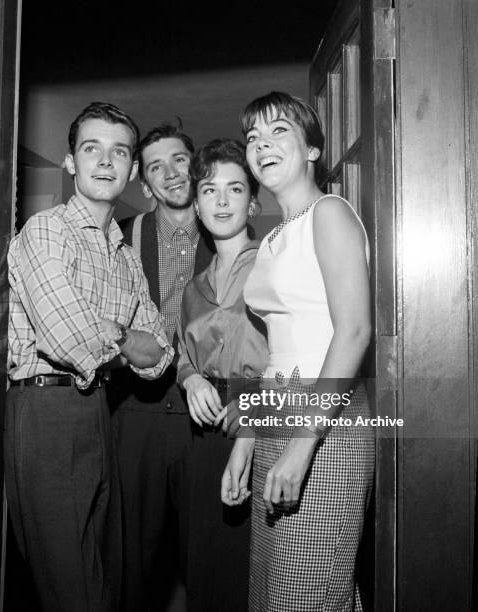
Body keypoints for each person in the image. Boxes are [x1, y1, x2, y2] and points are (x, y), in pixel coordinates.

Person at [5, 102, 174, 612]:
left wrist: (116, 334)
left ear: (132, 169)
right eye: (91, 149)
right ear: (70, 163)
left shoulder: (124, 254)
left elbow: (161, 355)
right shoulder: (46, 230)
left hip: (100, 412)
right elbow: (68, 339)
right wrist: (126, 341)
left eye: (119, 151)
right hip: (46, 412)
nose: (105, 161)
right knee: (71, 587)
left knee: (107, 579)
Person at [222, 91, 375, 611]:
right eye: (253, 138)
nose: (262, 144)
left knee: (308, 588)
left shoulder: (329, 213)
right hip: (276, 415)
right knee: (275, 591)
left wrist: (303, 444)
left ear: (311, 148)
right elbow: (274, 354)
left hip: (326, 423)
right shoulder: (270, 241)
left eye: (278, 131)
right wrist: (246, 438)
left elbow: (353, 332)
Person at [107, 122, 214, 611]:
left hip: (208, 414)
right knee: (132, 559)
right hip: (137, 411)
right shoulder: (123, 238)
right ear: (144, 184)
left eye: (179, 160)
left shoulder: (228, 229)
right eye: (156, 166)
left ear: (196, 166)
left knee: (208, 552)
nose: (171, 173)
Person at [176, 138, 268, 611]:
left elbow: (294, 360)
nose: (222, 200)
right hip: (203, 434)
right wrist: (190, 379)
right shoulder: (193, 288)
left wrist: (251, 420)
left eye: (235, 189)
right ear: (196, 204)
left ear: (253, 201)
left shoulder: (276, 264)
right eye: (209, 190)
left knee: (249, 571)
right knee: (204, 565)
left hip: (258, 425)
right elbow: (182, 350)